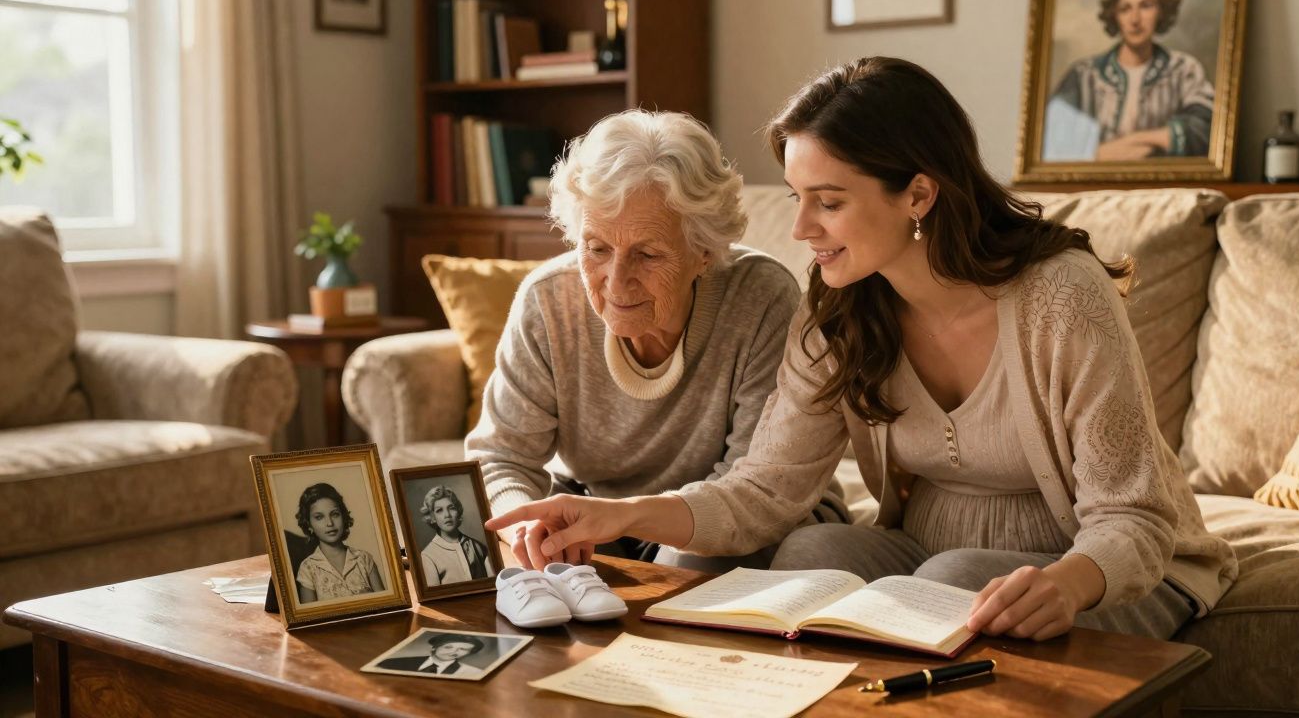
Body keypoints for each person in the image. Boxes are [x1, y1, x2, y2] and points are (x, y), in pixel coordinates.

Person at [486, 57, 1238, 642]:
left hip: (1108, 568)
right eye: (797, 196)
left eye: (829, 201)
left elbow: (1134, 518)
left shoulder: (1061, 296)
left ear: (918, 193)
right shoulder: (840, 312)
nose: (801, 226)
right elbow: (765, 491)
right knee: (812, 557)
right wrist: (619, 516)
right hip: (924, 553)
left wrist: (1072, 583)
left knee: (960, 577)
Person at [467, 109, 848, 573]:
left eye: (647, 254)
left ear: (704, 252)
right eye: (597, 248)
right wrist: (523, 527)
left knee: (687, 566)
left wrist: (629, 519)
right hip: (602, 515)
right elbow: (500, 457)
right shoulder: (548, 303)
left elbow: (754, 490)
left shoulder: (760, 299)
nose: (616, 281)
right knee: (553, 573)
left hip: (745, 517)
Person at [1043, 0, 1214, 161]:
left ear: (1162, 10)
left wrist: (1137, 139)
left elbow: (1207, 130)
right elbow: (1053, 144)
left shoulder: (1183, 69)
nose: (1135, 19)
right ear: (1114, 15)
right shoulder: (1083, 76)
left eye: (1146, 6)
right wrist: (1099, 155)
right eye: (1125, 9)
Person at [293, 482, 384, 603]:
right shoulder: (308, 569)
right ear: (309, 524)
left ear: (343, 516)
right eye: (319, 517)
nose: (330, 523)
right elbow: (310, 618)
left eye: (335, 514)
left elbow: (386, 604)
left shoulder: (364, 559)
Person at [419, 484, 493, 585]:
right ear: (432, 518)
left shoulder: (477, 547)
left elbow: (495, 585)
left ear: (458, 512)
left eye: (451, 508)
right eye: (439, 510)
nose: (447, 515)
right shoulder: (428, 556)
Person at [377, 633, 484, 677]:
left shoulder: (472, 673)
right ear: (434, 647)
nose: (454, 652)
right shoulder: (391, 663)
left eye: (463, 649)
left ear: (469, 653)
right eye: (448, 647)